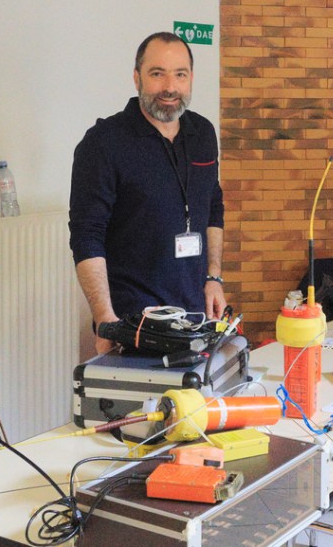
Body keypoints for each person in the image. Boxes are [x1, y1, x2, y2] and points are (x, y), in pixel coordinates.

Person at [69, 32, 226, 354]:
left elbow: (213, 206)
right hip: (133, 321)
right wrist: (105, 319)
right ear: (137, 77)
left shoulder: (203, 134)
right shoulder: (103, 142)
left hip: (194, 316)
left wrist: (214, 278)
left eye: (180, 74)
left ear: (191, 78)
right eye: (157, 74)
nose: (170, 87)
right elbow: (87, 236)